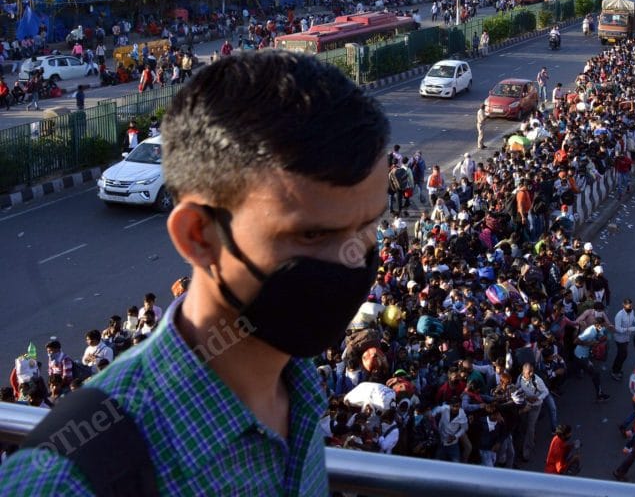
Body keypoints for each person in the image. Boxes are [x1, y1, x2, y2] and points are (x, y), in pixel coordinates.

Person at [0, 49, 389, 494]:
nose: (354, 257)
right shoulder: (68, 479)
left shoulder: (298, 394)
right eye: (312, 235)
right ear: (199, 236)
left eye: (368, 225)